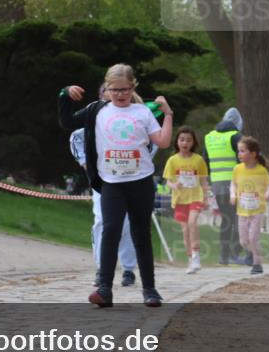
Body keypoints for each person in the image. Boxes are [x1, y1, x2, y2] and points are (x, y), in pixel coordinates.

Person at [59, 63, 173, 308]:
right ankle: (105, 289)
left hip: (140, 182)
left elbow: (162, 142)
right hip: (111, 182)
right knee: (110, 230)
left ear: (133, 87)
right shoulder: (96, 110)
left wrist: (169, 115)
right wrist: (65, 94)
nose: (120, 94)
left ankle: (150, 290)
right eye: (114, 89)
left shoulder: (142, 112)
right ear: (106, 89)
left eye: (125, 89)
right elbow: (67, 121)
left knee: (141, 234)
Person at [68, 91, 138, 288]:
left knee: (126, 223)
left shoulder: (132, 118)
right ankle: (102, 268)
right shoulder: (94, 118)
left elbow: (151, 143)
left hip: (129, 179)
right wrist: (85, 163)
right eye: (108, 94)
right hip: (102, 180)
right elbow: (75, 136)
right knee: (101, 221)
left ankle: (128, 268)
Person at [163, 125, 210, 274]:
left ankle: (196, 256)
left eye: (188, 140)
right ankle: (191, 259)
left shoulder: (199, 160)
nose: (185, 143)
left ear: (193, 143)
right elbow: (168, 181)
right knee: (185, 230)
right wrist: (174, 185)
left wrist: (206, 198)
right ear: (177, 142)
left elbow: (203, 181)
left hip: (195, 197)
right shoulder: (172, 160)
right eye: (182, 140)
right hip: (180, 199)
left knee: (192, 223)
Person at [204, 108, 246, 264]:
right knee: (237, 219)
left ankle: (224, 256)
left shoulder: (209, 137)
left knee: (226, 219)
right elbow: (244, 158)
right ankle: (234, 253)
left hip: (217, 184)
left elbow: (206, 161)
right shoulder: (236, 136)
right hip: (235, 184)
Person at [231, 136, 269, 275]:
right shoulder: (237, 169)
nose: (239, 154)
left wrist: (268, 193)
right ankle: (251, 253)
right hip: (242, 210)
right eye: (239, 151)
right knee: (244, 241)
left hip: (257, 210)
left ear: (253, 153)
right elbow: (233, 184)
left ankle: (257, 264)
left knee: (253, 238)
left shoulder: (261, 170)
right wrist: (233, 195)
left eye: (242, 151)